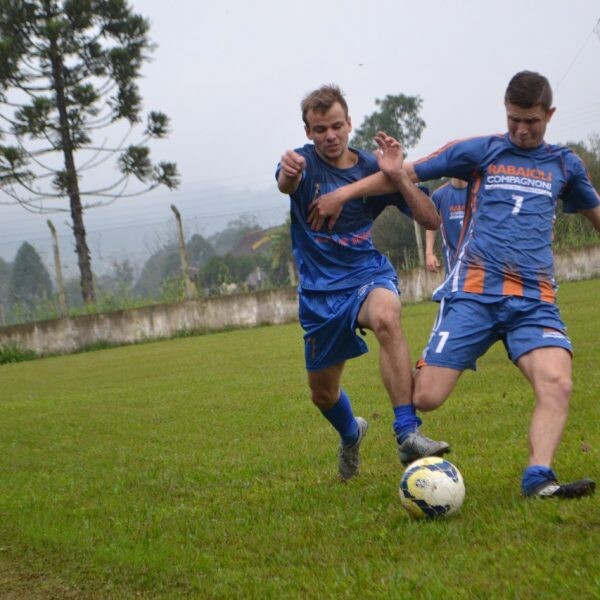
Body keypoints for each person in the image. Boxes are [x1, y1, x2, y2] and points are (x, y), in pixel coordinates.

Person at [306, 71, 600, 498]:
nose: (521, 129)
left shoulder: (565, 165)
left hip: (535, 301)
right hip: (473, 296)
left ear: (549, 115)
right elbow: (400, 173)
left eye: (532, 121)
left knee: (558, 383)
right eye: (514, 118)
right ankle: (399, 408)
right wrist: (343, 195)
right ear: (505, 111)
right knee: (426, 396)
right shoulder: (480, 150)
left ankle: (539, 478)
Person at [276, 84, 450, 481]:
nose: (330, 136)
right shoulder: (301, 165)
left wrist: (399, 178)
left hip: (366, 275)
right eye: (320, 129)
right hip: (321, 293)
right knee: (322, 393)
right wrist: (287, 176)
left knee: (388, 315)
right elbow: (285, 185)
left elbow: (430, 219)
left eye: (336, 125)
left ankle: (407, 432)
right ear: (308, 132)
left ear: (349, 123)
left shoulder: (372, 167)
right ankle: (351, 433)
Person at [425, 178, 468, 276]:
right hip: (452, 258)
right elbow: (430, 224)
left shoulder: (478, 191)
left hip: (477, 257)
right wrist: (429, 253)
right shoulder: (439, 195)